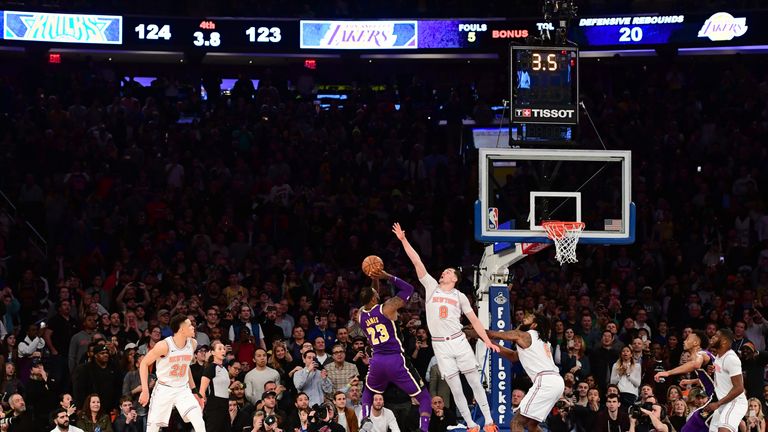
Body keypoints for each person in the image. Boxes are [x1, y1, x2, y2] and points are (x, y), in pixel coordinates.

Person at [394, 222, 499, 432]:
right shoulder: (432, 287)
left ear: (455, 278)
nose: (444, 272)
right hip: (440, 345)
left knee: (474, 382)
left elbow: (475, 321)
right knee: (455, 388)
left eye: (448, 271)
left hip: (459, 340)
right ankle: (471, 424)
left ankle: (488, 421)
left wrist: (487, 340)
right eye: (444, 270)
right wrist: (404, 240)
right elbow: (417, 261)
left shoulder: (460, 296)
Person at [357, 267, 432, 432]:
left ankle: (365, 419)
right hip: (396, 360)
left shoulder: (360, 314)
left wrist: (375, 278)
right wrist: (387, 276)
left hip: (377, 360)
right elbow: (409, 289)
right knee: (424, 397)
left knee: (368, 391)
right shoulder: (387, 308)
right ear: (375, 297)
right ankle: (424, 428)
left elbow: (371, 296)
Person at [483, 313, 565, 432]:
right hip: (556, 381)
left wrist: (478, 332)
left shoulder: (528, 334)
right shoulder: (537, 340)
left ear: (534, 325)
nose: (526, 316)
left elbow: (496, 334)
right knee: (531, 425)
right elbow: (513, 356)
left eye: (530, 316)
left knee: (516, 422)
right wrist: (489, 342)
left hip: (545, 381)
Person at [138, 314, 206, 432]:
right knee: (152, 429)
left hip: (183, 389)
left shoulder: (192, 343)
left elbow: (186, 367)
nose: (193, 327)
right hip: (164, 389)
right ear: (181, 329)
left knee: (199, 421)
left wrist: (194, 391)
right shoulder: (164, 345)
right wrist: (145, 390)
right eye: (190, 325)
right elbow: (144, 363)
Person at [704, 329, 748, 432]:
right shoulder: (719, 356)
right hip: (724, 402)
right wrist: (713, 371)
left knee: (723, 430)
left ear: (724, 341)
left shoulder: (731, 358)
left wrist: (718, 404)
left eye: (716, 336)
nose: (712, 337)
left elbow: (739, 388)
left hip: (735, 402)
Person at [199, 342, 230, 432]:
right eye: (219, 349)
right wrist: (201, 407)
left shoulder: (224, 369)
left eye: (224, 348)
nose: (223, 350)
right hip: (214, 405)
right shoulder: (211, 367)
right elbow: (202, 390)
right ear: (213, 352)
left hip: (225, 405)